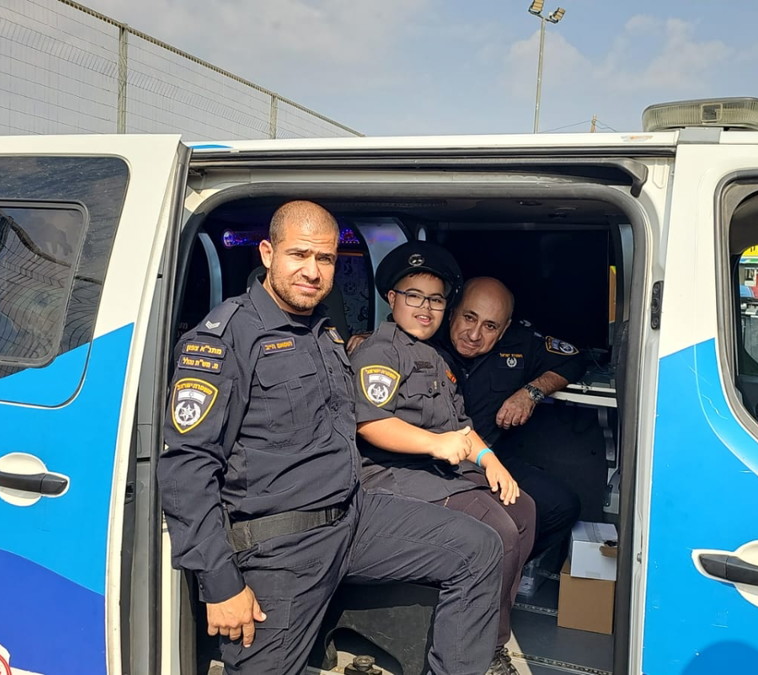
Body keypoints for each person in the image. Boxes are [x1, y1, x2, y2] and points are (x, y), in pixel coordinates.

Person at [158, 201, 503, 675]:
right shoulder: (225, 339)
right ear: (267, 253)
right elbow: (187, 468)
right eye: (299, 254)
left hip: (351, 518)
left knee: (479, 548)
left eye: (325, 259)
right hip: (283, 545)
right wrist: (220, 584)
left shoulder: (323, 332)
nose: (312, 271)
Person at [349, 242, 535, 675]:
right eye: (414, 296)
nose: (425, 308)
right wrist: (435, 444)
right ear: (392, 298)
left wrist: (489, 459)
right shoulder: (380, 351)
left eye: (435, 300)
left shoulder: (435, 358)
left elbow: (462, 426)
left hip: (431, 475)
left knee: (522, 508)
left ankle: (490, 633)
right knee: (499, 528)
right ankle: (480, 653)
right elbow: (370, 423)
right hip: (389, 479)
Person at [436, 277, 588, 569]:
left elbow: (573, 360)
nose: (474, 334)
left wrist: (531, 393)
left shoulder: (520, 342)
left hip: (489, 460)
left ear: (504, 329)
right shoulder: (429, 333)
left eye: (490, 326)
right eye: (469, 318)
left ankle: (498, 569)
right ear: (452, 311)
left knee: (561, 506)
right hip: (434, 460)